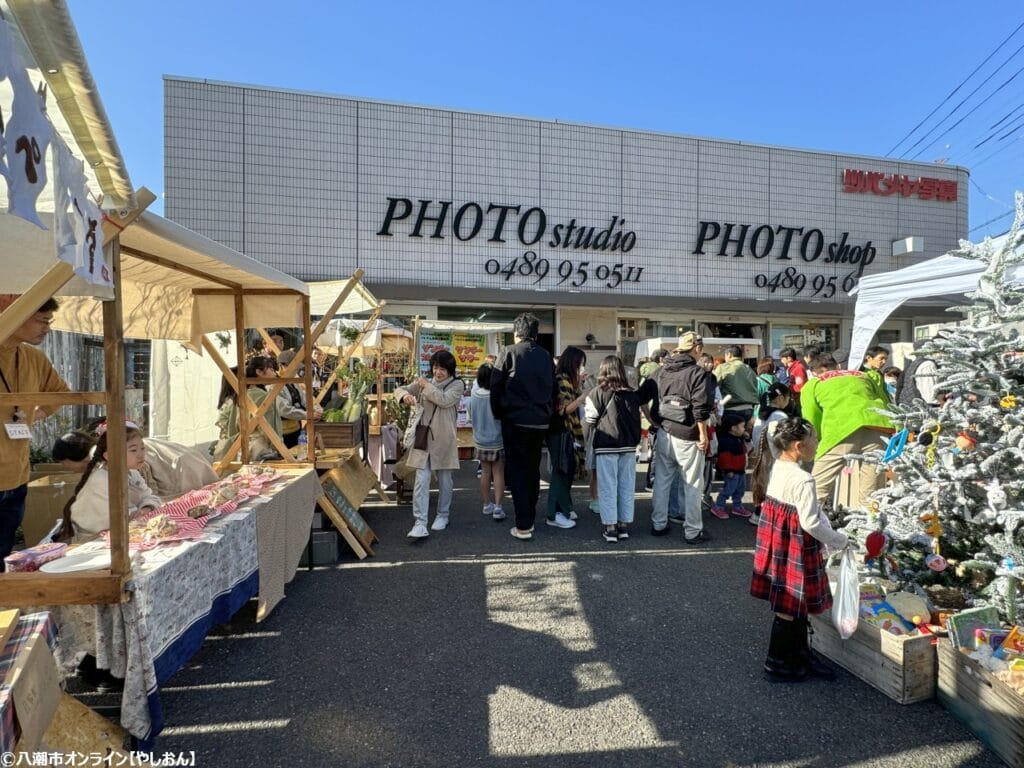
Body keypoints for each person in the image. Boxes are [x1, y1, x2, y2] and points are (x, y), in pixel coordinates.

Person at [751, 417, 848, 682]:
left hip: (778, 542)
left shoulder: (777, 465)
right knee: (790, 603)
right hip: (795, 543)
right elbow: (810, 522)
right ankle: (778, 663)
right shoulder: (804, 479)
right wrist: (839, 541)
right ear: (798, 446)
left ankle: (798, 654)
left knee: (793, 602)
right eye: (814, 439)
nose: (818, 443)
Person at [0, 295, 70, 568]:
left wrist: (35, 413)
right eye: (42, 321)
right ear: (15, 314)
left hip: (16, 476)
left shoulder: (34, 357)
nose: (47, 328)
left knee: (5, 558)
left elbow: (61, 393)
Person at [490, 313, 556, 541]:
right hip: (540, 422)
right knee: (532, 470)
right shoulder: (546, 356)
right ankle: (529, 517)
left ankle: (523, 525)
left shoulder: (508, 352)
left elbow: (495, 387)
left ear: (516, 333)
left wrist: (500, 414)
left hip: (515, 421)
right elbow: (553, 389)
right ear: (536, 334)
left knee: (517, 472)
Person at [799, 354, 894, 509]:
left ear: (815, 372)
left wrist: (817, 440)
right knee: (871, 491)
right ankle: (870, 528)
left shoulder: (813, 384)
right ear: (838, 367)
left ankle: (804, 525)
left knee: (817, 487)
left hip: (840, 430)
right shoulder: (864, 375)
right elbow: (884, 400)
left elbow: (811, 418)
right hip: (877, 427)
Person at [651, 332, 714, 543]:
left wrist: (653, 421)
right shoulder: (697, 373)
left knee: (662, 480)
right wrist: (703, 435)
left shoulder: (663, 370)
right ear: (696, 348)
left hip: (664, 431)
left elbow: (645, 395)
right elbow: (700, 408)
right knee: (693, 483)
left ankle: (658, 524)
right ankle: (693, 531)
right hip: (687, 434)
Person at [396, 350, 463, 538]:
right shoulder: (425, 383)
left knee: (444, 480)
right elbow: (400, 390)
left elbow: (444, 400)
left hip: (444, 439)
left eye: (442, 368)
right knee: (421, 480)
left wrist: (425, 386)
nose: (438, 372)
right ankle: (420, 522)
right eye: (435, 367)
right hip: (423, 438)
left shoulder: (457, 385)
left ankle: (443, 514)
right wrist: (404, 396)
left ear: (450, 370)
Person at [61, 422, 161, 544]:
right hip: (94, 540)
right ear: (109, 455)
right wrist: (138, 513)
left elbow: (149, 496)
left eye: (142, 448)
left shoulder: (132, 473)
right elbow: (114, 518)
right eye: (133, 450)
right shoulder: (100, 479)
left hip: (126, 531)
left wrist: (146, 508)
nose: (141, 454)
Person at [585, 355, 641, 542]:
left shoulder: (597, 392)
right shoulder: (632, 394)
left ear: (603, 370)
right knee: (626, 485)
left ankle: (610, 528)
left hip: (606, 446)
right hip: (628, 446)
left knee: (608, 487)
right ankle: (624, 525)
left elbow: (591, 420)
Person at [546, 346, 588, 530]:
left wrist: (578, 385)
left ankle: (564, 508)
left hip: (563, 431)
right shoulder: (561, 379)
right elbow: (562, 410)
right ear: (573, 363)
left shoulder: (565, 379)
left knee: (566, 470)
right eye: (580, 364)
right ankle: (553, 513)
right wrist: (582, 397)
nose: (582, 368)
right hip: (560, 431)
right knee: (561, 470)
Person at [212, 357, 284, 461]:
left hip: (242, 447)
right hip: (260, 448)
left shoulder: (239, 396)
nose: (275, 372)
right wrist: (278, 447)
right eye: (271, 369)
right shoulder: (263, 396)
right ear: (259, 372)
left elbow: (232, 426)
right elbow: (270, 427)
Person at [749, 382, 793, 526]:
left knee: (761, 484)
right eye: (788, 397)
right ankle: (770, 516)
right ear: (781, 397)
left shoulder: (761, 414)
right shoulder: (779, 416)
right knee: (773, 487)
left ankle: (758, 513)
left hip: (760, 455)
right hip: (775, 457)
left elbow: (756, 436)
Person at [468, 362, 505, 522]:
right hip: (497, 440)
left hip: (480, 440)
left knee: (484, 472)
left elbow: (471, 418)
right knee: (498, 473)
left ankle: (486, 504)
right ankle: (498, 507)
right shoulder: (497, 396)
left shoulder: (473, 397)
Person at [710, 412, 751, 519]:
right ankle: (718, 506)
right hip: (732, 471)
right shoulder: (726, 441)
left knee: (740, 490)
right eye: (742, 426)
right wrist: (728, 470)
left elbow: (748, 449)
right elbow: (724, 457)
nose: (744, 429)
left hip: (740, 469)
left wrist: (747, 439)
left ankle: (737, 506)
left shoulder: (739, 438)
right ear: (733, 428)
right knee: (728, 490)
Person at [713, 345, 760, 430]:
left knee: (728, 439)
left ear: (729, 355)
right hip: (749, 409)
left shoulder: (723, 367)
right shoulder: (749, 369)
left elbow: (713, 385)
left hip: (731, 409)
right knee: (744, 438)